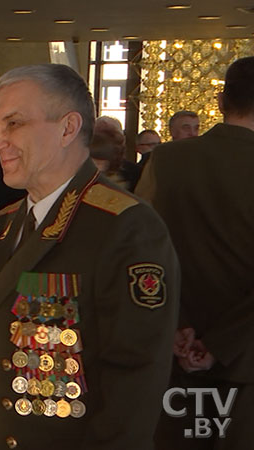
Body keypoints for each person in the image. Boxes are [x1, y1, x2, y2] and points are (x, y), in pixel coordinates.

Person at [0, 63, 179, 449]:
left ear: (68, 127)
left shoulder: (125, 229)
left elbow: (134, 384)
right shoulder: (0, 228)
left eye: (14, 124)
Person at [137, 56, 254, 450]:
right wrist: (218, 345)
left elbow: (138, 252)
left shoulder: (166, 161)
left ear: (220, 101)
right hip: (245, 364)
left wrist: (177, 324)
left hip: (172, 355)